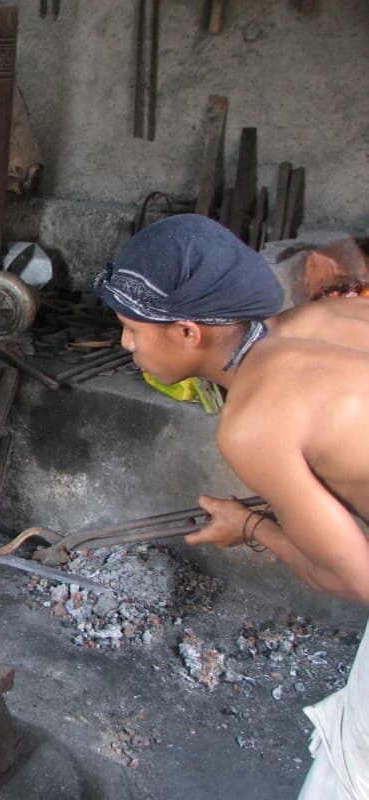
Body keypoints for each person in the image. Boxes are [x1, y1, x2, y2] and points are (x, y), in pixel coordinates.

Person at [95, 213, 369, 799]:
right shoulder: (324, 316)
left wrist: (248, 526)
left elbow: (356, 577)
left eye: (131, 329)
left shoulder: (254, 422)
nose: (126, 344)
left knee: (349, 769)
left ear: (189, 332)